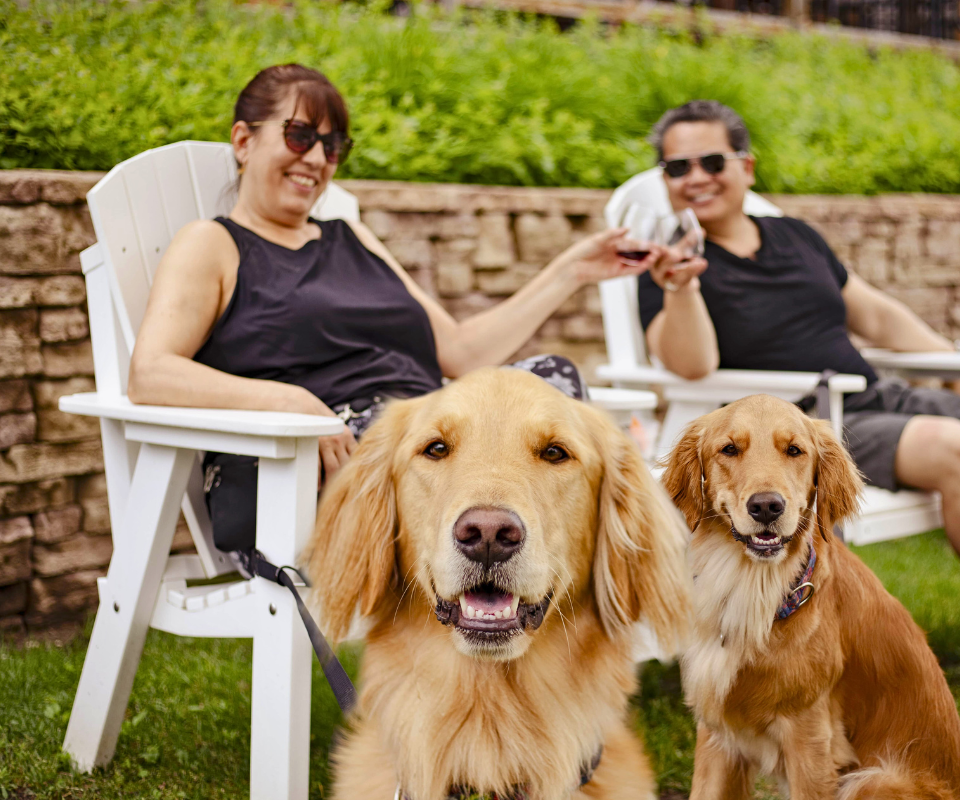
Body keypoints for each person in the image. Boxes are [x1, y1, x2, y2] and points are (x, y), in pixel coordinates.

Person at [637, 99, 960, 686]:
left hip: (878, 395)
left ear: (747, 167)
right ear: (665, 183)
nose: (696, 177)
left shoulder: (795, 237)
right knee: (953, 446)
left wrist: (957, 365)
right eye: (678, 168)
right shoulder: (669, 266)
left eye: (711, 160)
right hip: (806, 426)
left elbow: (877, 317)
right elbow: (692, 363)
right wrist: (681, 290)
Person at [127, 64, 671, 572]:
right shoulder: (213, 244)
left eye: (333, 144)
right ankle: (643, 547)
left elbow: (459, 352)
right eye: (298, 135)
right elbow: (150, 373)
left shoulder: (351, 235)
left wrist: (570, 271)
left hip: (417, 441)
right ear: (244, 141)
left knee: (550, 379)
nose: (316, 159)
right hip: (299, 477)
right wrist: (288, 400)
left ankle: (616, 559)